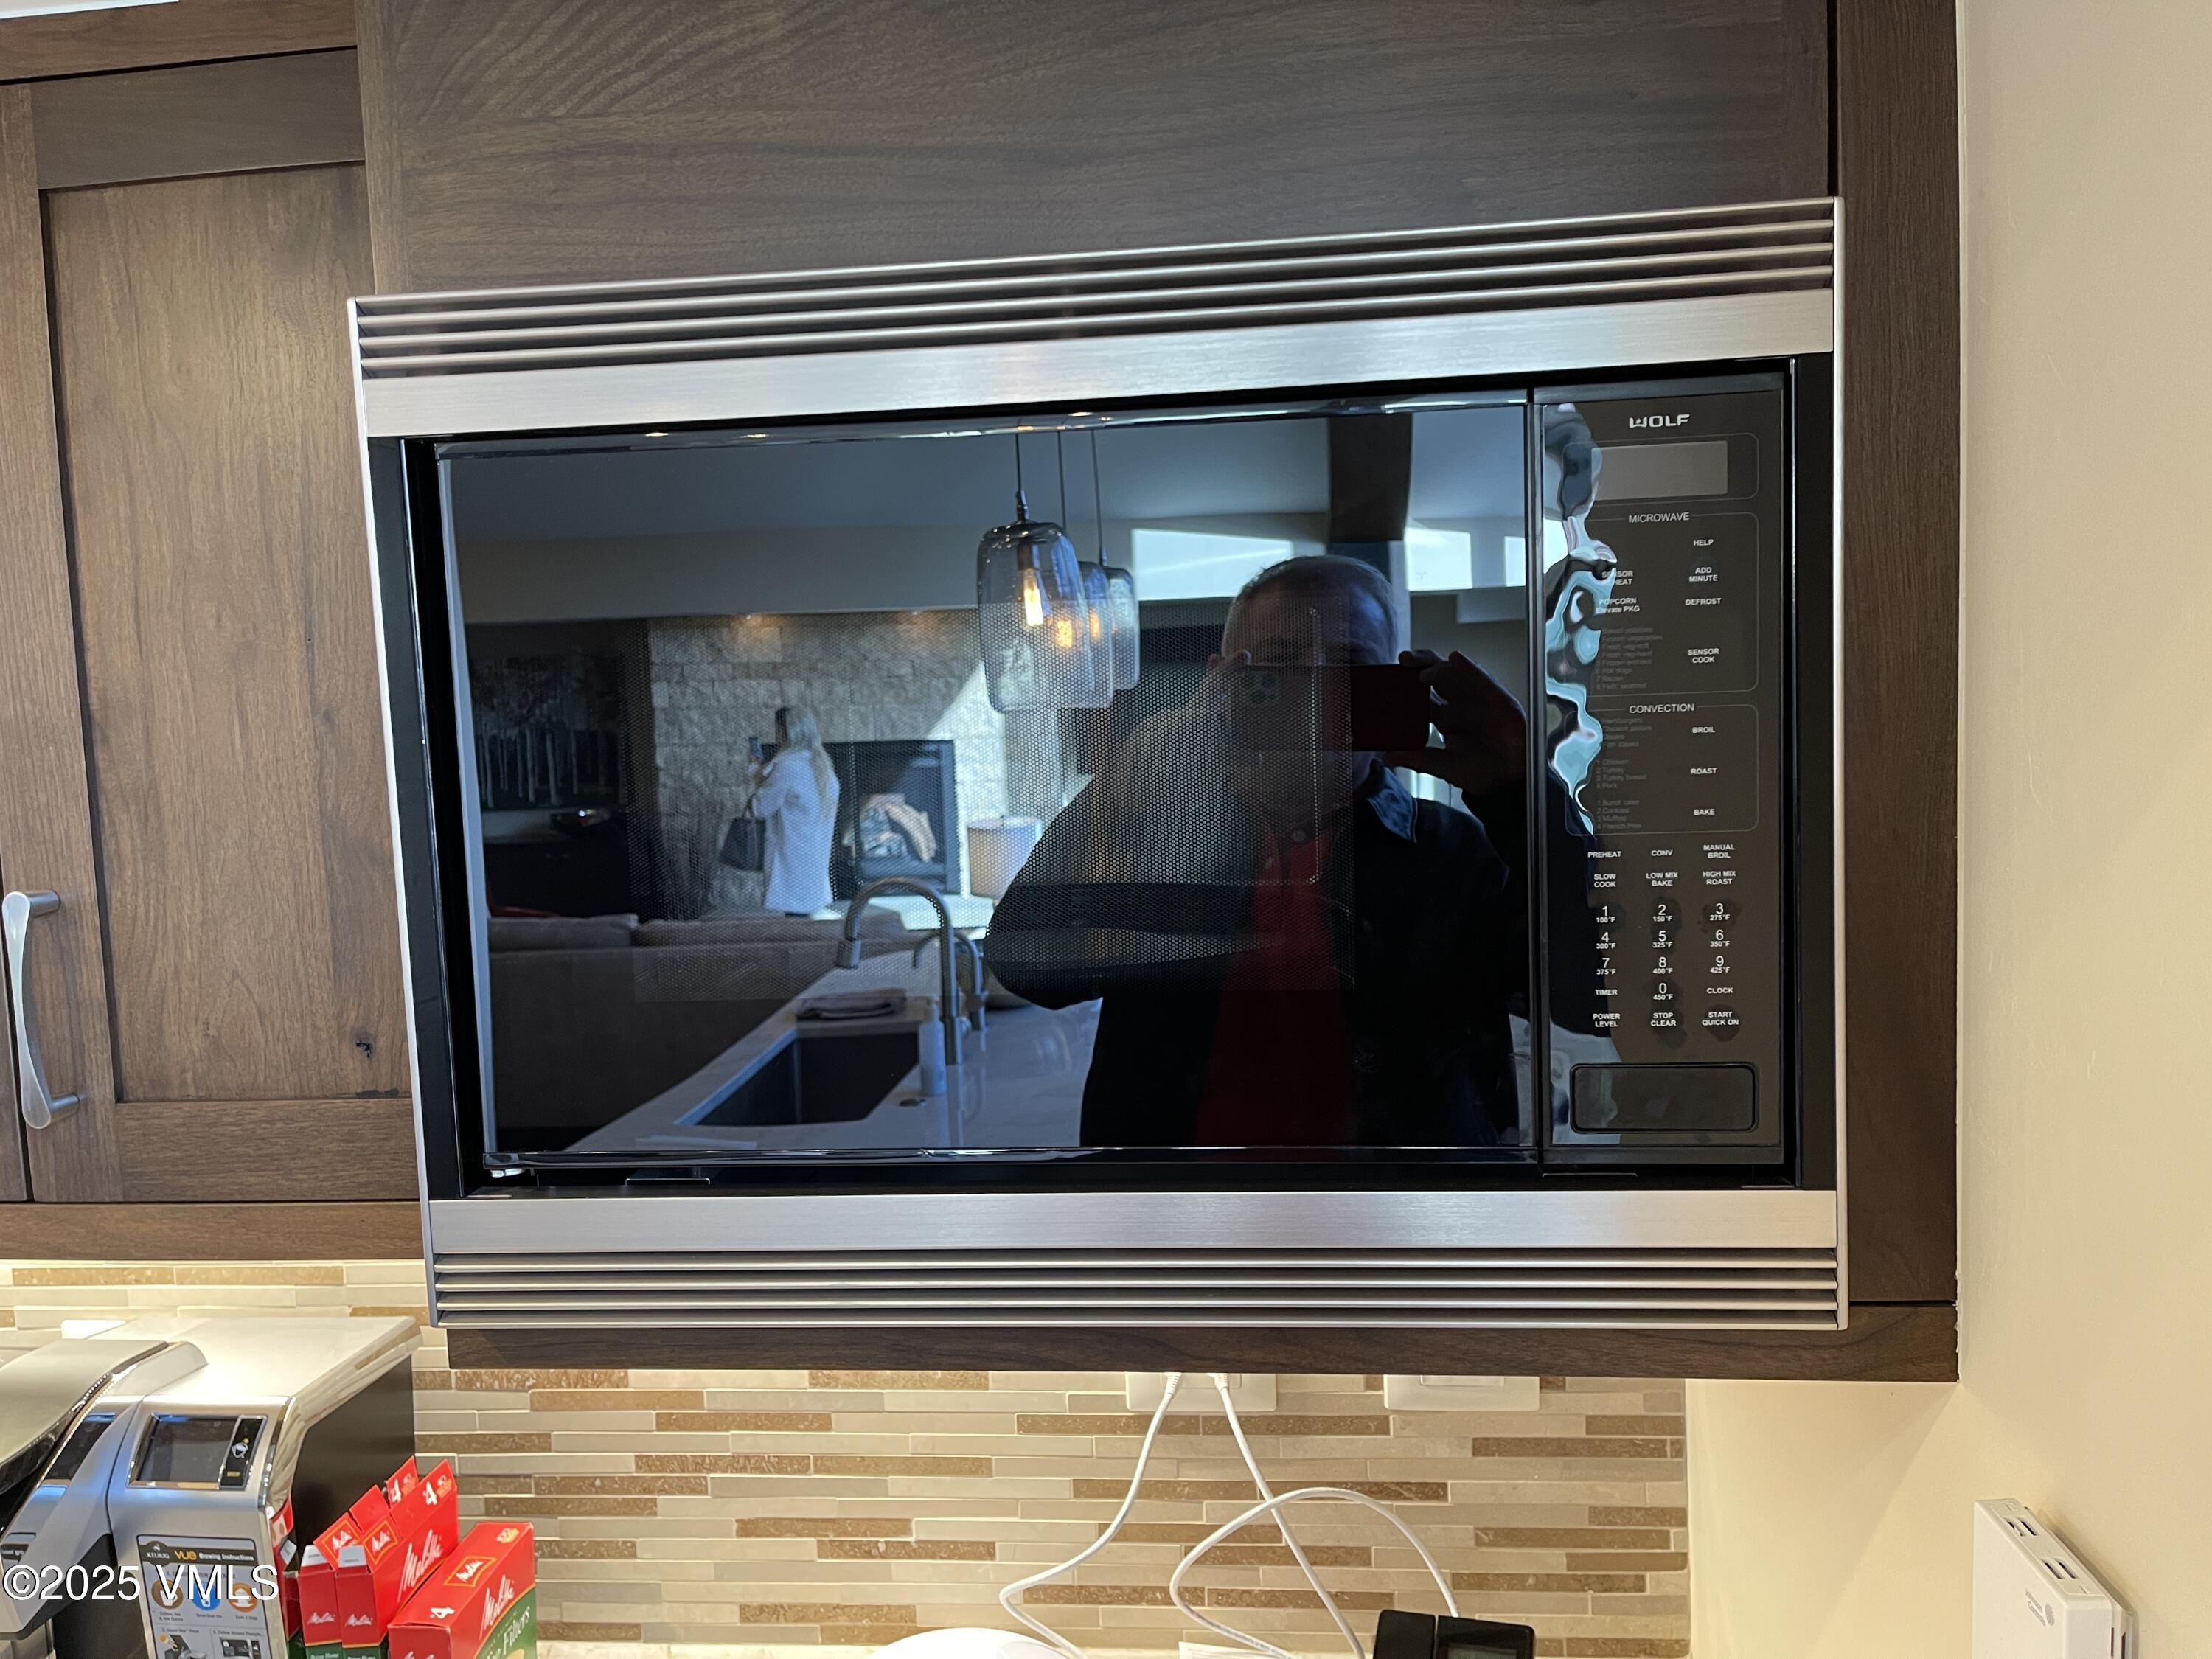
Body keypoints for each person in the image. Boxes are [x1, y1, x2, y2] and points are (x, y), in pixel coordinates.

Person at [985, 554, 1546, 1149]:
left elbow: (1592, 999)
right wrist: (1122, 799)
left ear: (1400, 682)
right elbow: (1029, 971)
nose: (1316, 694)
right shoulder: (1158, 836)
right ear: (1221, 684)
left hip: (1397, 1222)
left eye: (1351, 665)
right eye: (1281, 664)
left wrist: (1521, 795)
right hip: (1178, 1218)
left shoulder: (1454, 851)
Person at [748, 706, 840, 915]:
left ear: (785, 733)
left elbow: (759, 808)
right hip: (814, 861)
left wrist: (755, 776)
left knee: (795, 921)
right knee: (805, 917)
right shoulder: (824, 768)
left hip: (792, 861)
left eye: (778, 730)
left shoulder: (787, 767)